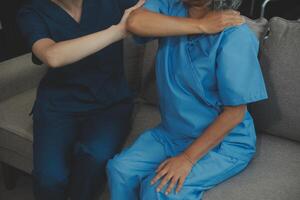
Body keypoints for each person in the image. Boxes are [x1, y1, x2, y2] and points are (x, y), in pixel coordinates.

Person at [17, 0, 244, 199]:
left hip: (109, 104)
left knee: (96, 157)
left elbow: (139, 17)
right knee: (50, 177)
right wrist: (118, 31)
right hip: (59, 106)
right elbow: (53, 56)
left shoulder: (234, 37)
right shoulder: (32, 12)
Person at [106, 0, 268, 199]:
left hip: (224, 143)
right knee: (120, 170)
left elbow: (235, 113)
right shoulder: (170, 6)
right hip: (172, 133)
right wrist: (201, 25)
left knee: (156, 190)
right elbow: (135, 22)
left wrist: (187, 158)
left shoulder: (235, 35)